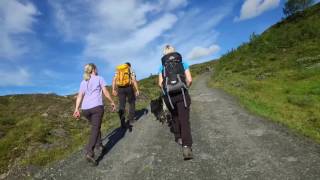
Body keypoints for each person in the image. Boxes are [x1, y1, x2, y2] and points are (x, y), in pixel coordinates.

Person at [73, 63, 116, 165]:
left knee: (96, 127)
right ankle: (89, 152)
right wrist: (112, 102)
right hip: (96, 107)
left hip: (85, 110)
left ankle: (99, 145)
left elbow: (80, 96)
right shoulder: (99, 78)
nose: (98, 69)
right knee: (95, 129)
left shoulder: (83, 82)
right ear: (93, 69)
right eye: (96, 68)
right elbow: (105, 92)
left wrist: (76, 109)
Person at [158, 45, 193, 160]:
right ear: (174, 53)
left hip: (169, 97)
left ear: (164, 55)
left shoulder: (162, 66)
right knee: (184, 119)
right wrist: (185, 87)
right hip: (182, 93)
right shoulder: (183, 63)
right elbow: (190, 79)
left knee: (174, 116)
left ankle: (178, 137)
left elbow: (160, 84)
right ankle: (187, 146)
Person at [112, 62, 140, 130]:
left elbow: (114, 80)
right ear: (129, 66)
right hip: (129, 87)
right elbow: (133, 80)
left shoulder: (118, 71)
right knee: (132, 102)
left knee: (122, 105)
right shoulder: (130, 70)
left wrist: (113, 89)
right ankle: (131, 119)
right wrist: (137, 89)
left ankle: (122, 123)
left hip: (120, 89)